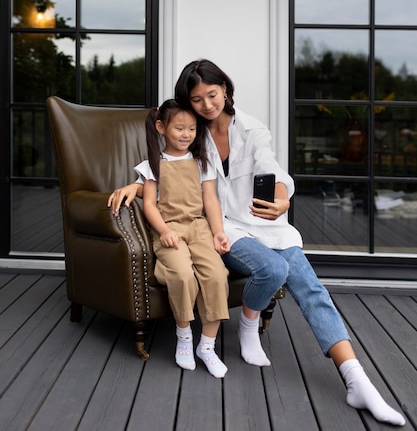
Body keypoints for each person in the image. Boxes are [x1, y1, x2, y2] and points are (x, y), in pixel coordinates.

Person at [171, 58, 406, 427]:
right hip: (225, 228)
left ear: (226, 90)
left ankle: (357, 380)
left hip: (269, 225)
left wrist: (282, 200)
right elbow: (169, 171)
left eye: (212, 95)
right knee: (272, 267)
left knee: (312, 289)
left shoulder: (252, 129)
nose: (206, 105)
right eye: (196, 99)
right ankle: (250, 327)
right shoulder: (190, 135)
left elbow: (273, 170)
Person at [112, 99, 230, 378]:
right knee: (181, 274)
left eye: (192, 128)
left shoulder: (203, 161)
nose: (187, 134)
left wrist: (218, 232)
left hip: (199, 228)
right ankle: (185, 337)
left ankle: (208, 346)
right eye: (179, 128)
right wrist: (164, 231)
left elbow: (210, 200)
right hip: (170, 230)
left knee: (216, 275)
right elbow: (150, 204)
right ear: (161, 127)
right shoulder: (152, 165)